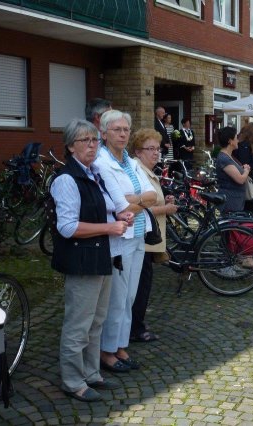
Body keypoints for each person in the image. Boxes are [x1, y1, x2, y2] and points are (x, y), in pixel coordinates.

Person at [51, 118, 134, 402]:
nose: (91, 145)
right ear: (70, 147)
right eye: (84, 141)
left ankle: (90, 372)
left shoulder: (94, 173)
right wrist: (109, 228)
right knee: (78, 323)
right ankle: (73, 380)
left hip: (103, 256)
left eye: (94, 140)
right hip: (83, 260)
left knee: (97, 320)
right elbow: (67, 227)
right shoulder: (66, 180)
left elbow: (103, 209)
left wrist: (119, 216)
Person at [94, 110, 157, 373]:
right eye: (117, 129)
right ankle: (106, 351)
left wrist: (135, 200)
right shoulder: (100, 162)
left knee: (130, 295)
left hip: (139, 233)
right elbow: (117, 203)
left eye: (125, 129)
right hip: (119, 237)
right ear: (104, 133)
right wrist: (137, 199)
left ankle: (120, 346)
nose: (122, 134)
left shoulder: (130, 162)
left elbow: (152, 194)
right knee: (117, 297)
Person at [130, 129, 178, 343]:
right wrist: (165, 209)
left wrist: (163, 201)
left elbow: (152, 201)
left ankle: (135, 325)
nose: (156, 153)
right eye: (150, 149)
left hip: (148, 237)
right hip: (143, 237)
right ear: (138, 152)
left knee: (142, 283)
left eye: (158, 149)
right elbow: (137, 208)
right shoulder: (137, 171)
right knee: (141, 285)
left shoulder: (147, 171)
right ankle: (136, 328)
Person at [215, 126, 251, 214]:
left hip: (236, 200)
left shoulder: (229, 156)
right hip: (230, 201)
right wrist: (246, 170)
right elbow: (240, 179)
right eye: (236, 138)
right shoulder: (224, 158)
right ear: (230, 141)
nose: (238, 141)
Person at [234, 122, 253, 212]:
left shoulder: (240, 143)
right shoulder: (244, 146)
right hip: (245, 182)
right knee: (250, 210)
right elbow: (246, 166)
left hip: (239, 182)